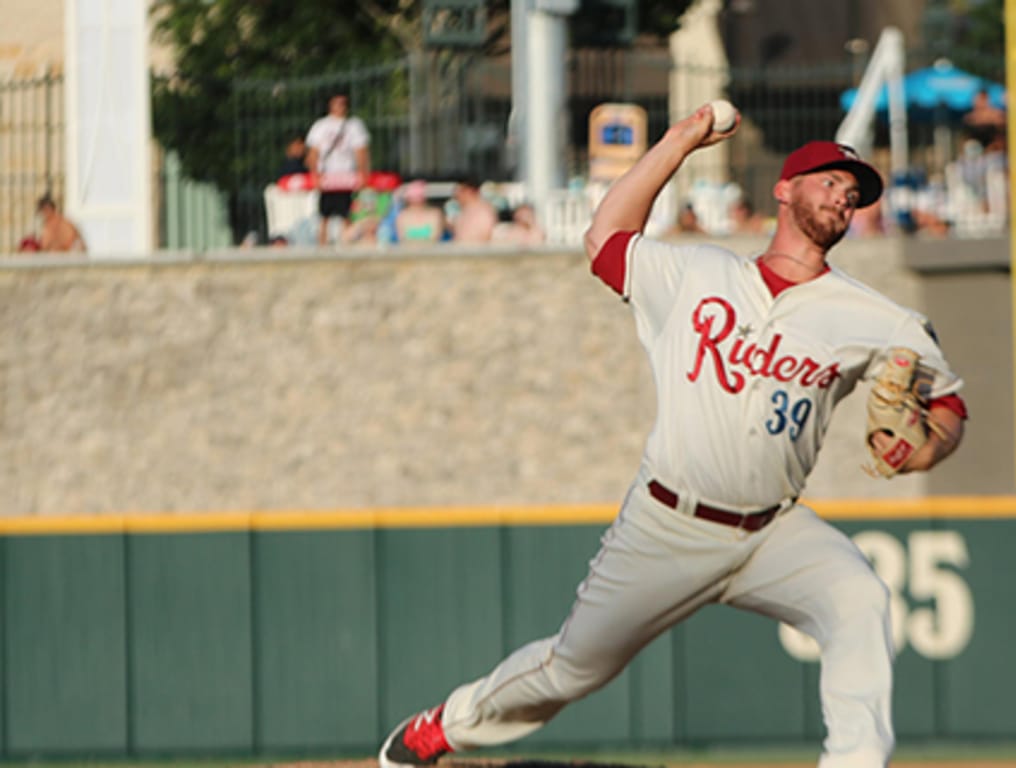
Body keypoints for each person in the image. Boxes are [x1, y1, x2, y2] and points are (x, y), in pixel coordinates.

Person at [378, 104, 969, 768]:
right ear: (784, 188)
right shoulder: (698, 275)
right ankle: (446, 726)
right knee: (570, 670)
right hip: (668, 523)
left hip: (773, 530)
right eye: (830, 180)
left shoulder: (877, 318)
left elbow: (947, 403)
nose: (843, 196)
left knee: (859, 599)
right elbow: (605, 237)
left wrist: (926, 446)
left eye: (854, 193)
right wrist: (680, 141)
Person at [305, 93, 370, 246]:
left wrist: (363, 174)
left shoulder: (354, 125)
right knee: (324, 214)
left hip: (346, 174)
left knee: (346, 212)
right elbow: (314, 152)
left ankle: (347, 242)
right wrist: (315, 174)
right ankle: (322, 244)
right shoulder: (321, 126)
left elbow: (361, 151)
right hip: (326, 174)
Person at [393, 180, 445, 245]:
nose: (416, 202)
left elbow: (435, 238)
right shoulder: (402, 216)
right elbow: (402, 239)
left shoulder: (435, 214)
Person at [448, 177, 497, 244]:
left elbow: (484, 238)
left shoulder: (484, 212)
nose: (456, 196)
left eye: (460, 191)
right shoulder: (463, 213)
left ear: (470, 191)